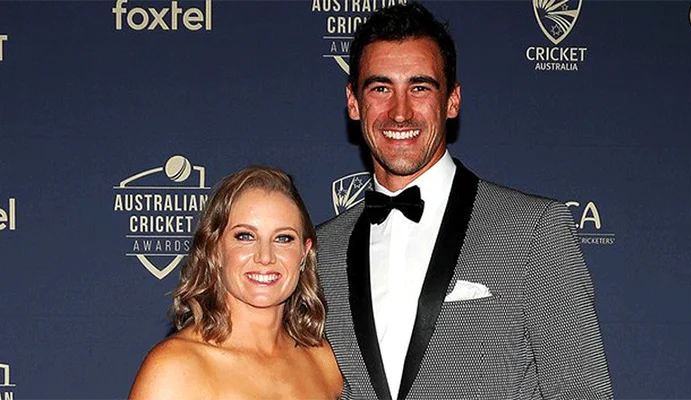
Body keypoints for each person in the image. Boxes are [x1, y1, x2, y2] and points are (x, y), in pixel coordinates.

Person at [316, 3, 614, 400]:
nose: (400, 113)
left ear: (452, 101)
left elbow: (583, 392)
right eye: (381, 88)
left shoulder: (534, 230)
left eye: (420, 87)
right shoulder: (322, 250)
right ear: (354, 103)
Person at [128, 166, 342, 400]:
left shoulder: (323, 361)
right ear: (215, 249)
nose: (265, 256)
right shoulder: (176, 368)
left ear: (304, 252)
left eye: (283, 238)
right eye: (245, 236)